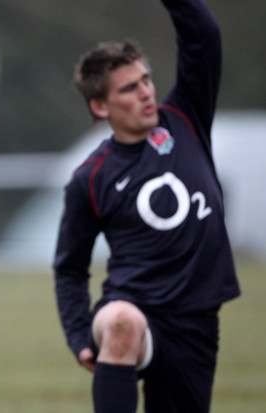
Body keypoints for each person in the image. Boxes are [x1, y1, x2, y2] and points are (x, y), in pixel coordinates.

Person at [53, 0, 241, 412]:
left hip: (196, 320)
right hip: (134, 307)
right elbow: (70, 267)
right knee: (122, 324)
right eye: (128, 88)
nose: (145, 93)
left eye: (146, 80)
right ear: (100, 106)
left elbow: (203, 37)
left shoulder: (186, 118)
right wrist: (79, 336)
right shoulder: (91, 177)